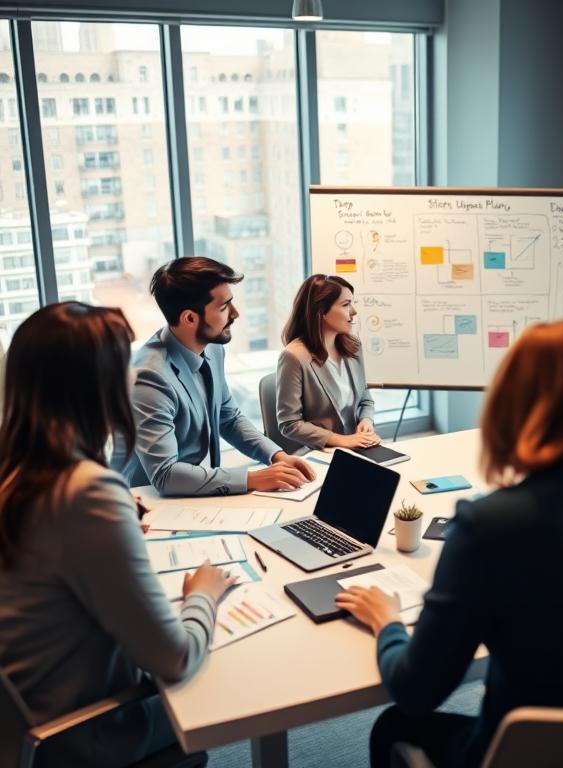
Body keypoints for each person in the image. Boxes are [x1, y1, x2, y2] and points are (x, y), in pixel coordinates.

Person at [335, 320, 563, 768]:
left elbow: (417, 690)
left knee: (395, 724)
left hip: (539, 756)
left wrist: (388, 623)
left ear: (512, 411)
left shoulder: (491, 524)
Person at [0, 302, 236, 767]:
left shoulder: (18, 469)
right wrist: (203, 595)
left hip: (27, 711)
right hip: (82, 730)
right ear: (97, 388)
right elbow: (174, 658)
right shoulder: (83, 491)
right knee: (230, 684)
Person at [121, 257, 314, 496]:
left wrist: (277, 456)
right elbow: (165, 474)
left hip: (199, 489)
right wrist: (252, 478)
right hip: (152, 503)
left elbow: (228, 417)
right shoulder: (150, 378)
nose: (236, 313)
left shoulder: (212, 347)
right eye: (224, 307)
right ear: (190, 318)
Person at [276, 274, 380, 450]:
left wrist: (366, 420)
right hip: (322, 451)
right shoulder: (293, 357)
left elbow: (365, 399)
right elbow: (289, 423)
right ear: (321, 311)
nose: (354, 311)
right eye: (346, 304)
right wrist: (339, 440)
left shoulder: (353, 347)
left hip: (359, 446)